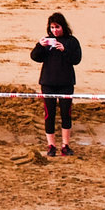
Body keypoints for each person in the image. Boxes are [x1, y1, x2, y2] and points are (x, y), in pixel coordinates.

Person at [32, 11, 83, 158]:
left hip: (66, 83)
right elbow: (35, 57)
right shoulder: (47, 42)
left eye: (57, 27)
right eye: (52, 28)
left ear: (63, 27)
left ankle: (65, 146)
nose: (55, 30)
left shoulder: (72, 41)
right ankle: (51, 145)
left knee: (66, 114)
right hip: (48, 83)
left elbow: (76, 59)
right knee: (50, 115)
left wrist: (64, 50)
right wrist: (40, 46)